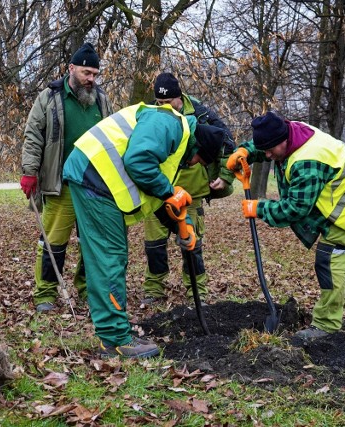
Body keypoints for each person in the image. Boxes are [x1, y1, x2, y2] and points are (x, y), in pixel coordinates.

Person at [63, 103, 225, 358]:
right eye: (199, 161)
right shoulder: (170, 124)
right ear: (198, 149)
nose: (194, 164)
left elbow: (159, 198)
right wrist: (170, 192)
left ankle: (113, 334)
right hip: (93, 177)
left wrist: (183, 227)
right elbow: (138, 162)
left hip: (95, 179)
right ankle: (115, 341)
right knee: (109, 258)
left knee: (111, 257)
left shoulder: (173, 142)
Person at [226, 111, 345, 341]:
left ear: (283, 140)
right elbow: (267, 144)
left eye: (270, 150)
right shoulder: (292, 130)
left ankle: (326, 324)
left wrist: (258, 209)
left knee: (330, 260)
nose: (268, 156)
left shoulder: (306, 161)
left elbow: (295, 208)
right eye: (264, 151)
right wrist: (246, 151)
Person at [20, 42, 114, 313]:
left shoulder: (102, 99)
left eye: (95, 74)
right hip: (60, 185)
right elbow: (33, 136)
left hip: (94, 186)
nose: (91, 79)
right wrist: (29, 172)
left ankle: (87, 290)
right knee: (52, 243)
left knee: (92, 243)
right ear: (71, 68)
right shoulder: (49, 97)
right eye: (86, 73)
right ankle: (46, 295)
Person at [141, 72, 236, 305]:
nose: (163, 107)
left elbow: (227, 142)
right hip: (158, 190)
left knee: (191, 244)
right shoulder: (149, 114)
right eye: (159, 103)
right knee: (154, 245)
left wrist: (225, 177)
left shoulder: (202, 113)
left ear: (179, 98)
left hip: (192, 193)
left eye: (167, 102)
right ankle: (154, 289)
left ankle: (197, 291)